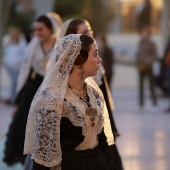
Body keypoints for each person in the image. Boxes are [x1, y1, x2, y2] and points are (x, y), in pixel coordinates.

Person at [24, 34, 117, 170]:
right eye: (95, 54)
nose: (99, 60)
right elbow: (43, 156)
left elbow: (101, 141)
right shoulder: (52, 100)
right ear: (78, 62)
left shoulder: (93, 94)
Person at [59, 18, 123, 170]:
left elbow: (104, 101)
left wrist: (110, 127)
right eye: (85, 32)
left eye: (90, 31)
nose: (99, 60)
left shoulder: (92, 93)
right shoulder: (56, 98)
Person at [3, 13, 62, 166]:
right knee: (23, 124)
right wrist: (18, 102)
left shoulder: (59, 45)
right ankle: (24, 159)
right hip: (34, 87)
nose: (37, 33)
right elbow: (25, 72)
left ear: (50, 29)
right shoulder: (33, 45)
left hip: (53, 88)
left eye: (40, 29)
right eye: (35, 30)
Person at [2, 26, 27, 103]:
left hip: (17, 67)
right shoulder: (9, 41)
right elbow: (6, 51)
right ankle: (12, 98)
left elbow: (25, 54)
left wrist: (17, 61)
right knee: (12, 82)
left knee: (14, 82)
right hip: (9, 66)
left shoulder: (22, 42)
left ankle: (13, 99)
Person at [136, 26, 157, 107]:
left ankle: (154, 101)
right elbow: (138, 54)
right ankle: (141, 102)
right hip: (141, 67)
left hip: (148, 67)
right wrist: (138, 63)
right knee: (141, 86)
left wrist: (149, 62)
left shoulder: (151, 43)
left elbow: (154, 55)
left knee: (151, 85)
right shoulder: (140, 42)